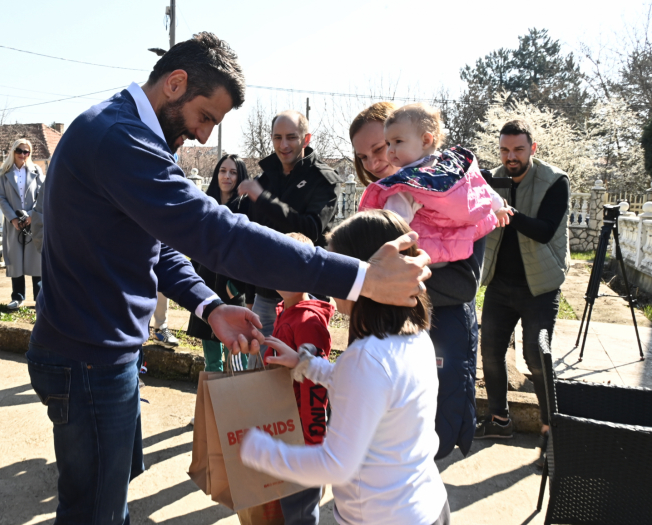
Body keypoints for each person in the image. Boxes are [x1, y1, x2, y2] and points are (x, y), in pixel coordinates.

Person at [28, 33, 432, 524]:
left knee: (109, 496)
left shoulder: (128, 131)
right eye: (205, 118)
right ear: (175, 84)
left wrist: (210, 306)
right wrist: (361, 278)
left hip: (106, 354)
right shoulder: (120, 139)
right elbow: (216, 233)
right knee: (94, 511)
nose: (203, 136)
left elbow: (157, 249)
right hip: (88, 359)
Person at [241, 209, 450, 525]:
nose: (330, 277)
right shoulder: (413, 337)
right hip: (425, 505)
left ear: (366, 271)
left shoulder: (367, 357)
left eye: (337, 266)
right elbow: (368, 391)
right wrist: (305, 363)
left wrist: (257, 449)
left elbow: (335, 465)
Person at [351, 101, 480, 459]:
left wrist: (388, 284)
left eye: (382, 147)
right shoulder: (379, 201)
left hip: (442, 337)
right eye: (364, 156)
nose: (376, 161)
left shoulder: (446, 193)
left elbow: (465, 283)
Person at [476, 120, 570, 469]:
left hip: (540, 287)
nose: (510, 157)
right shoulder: (491, 179)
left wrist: (507, 213)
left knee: (536, 357)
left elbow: (545, 231)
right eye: (504, 150)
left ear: (533, 148)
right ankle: (499, 421)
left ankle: (551, 434)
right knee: (490, 352)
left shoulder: (555, 181)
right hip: (501, 284)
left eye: (517, 149)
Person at [237, 110, 343, 364]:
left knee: (305, 373)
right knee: (261, 373)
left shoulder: (324, 180)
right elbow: (254, 241)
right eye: (278, 137)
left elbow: (310, 229)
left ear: (306, 139)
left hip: (306, 295)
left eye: (291, 137)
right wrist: (250, 296)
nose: (284, 145)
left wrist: (264, 200)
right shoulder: (263, 179)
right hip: (265, 293)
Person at [359, 103, 512, 266]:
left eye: (398, 141)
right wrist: (497, 207)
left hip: (422, 252)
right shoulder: (454, 167)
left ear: (426, 140)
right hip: (456, 246)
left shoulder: (408, 182)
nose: (391, 150)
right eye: (388, 143)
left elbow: (394, 223)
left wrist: (375, 247)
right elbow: (479, 187)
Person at [261, 232, 334, 525]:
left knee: (300, 506)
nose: (283, 276)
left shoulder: (307, 320)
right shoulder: (286, 310)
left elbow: (315, 384)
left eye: (292, 269)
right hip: (287, 423)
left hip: (303, 434)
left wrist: (311, 441)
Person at [186, 154, 252, 371]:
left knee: (237, 358)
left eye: (233, 172)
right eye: (223, 171)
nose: (227, 176)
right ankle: (213, 404)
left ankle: (238, 404)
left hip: (233, 290)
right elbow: (194, 245)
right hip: (206, 289)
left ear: (240, 176)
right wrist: (194, 278)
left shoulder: (246, 208)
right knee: (212, 361)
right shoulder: (205, 204)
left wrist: (237, 288)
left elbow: (249, 252)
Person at [0, 138, 45, 310]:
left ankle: (40, 299)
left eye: (26, 152)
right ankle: (17, 297)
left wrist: (32, 215)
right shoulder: (5, 172)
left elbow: (43, 195)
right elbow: (1, 197)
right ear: (13, 151)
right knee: (15, 259)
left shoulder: (36, 170)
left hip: (33, 221)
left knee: (36, 259)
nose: (22, 155)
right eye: (19, 151)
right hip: (14, 223)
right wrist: (13, 219)